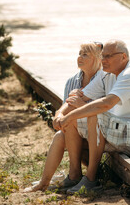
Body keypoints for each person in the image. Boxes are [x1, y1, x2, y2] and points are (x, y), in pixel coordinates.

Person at [58, 39, 130, 194]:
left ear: (123, 57)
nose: (103, 60)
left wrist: (69, 115)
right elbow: (79, 96)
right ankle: (74, 175)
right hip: (121, 133)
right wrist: (60, 114)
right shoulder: (106, 74)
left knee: (94, 115)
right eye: (102, 56)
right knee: (74, 122)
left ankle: (91, 180)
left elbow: (105, 104)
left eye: (108, 56)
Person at [23, 41, 103, 192]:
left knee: (70, 124)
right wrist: (58, 115)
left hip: (98, 130)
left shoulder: (104, 79)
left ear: (98, 58)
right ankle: (45, 182)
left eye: (85, 54)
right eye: (79, 54)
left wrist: (80, 107)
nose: (80, 57)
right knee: (60, 134)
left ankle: (77, 176)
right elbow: (66, 107)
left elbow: (102, 110)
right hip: (77, 131)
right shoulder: (72, 81)